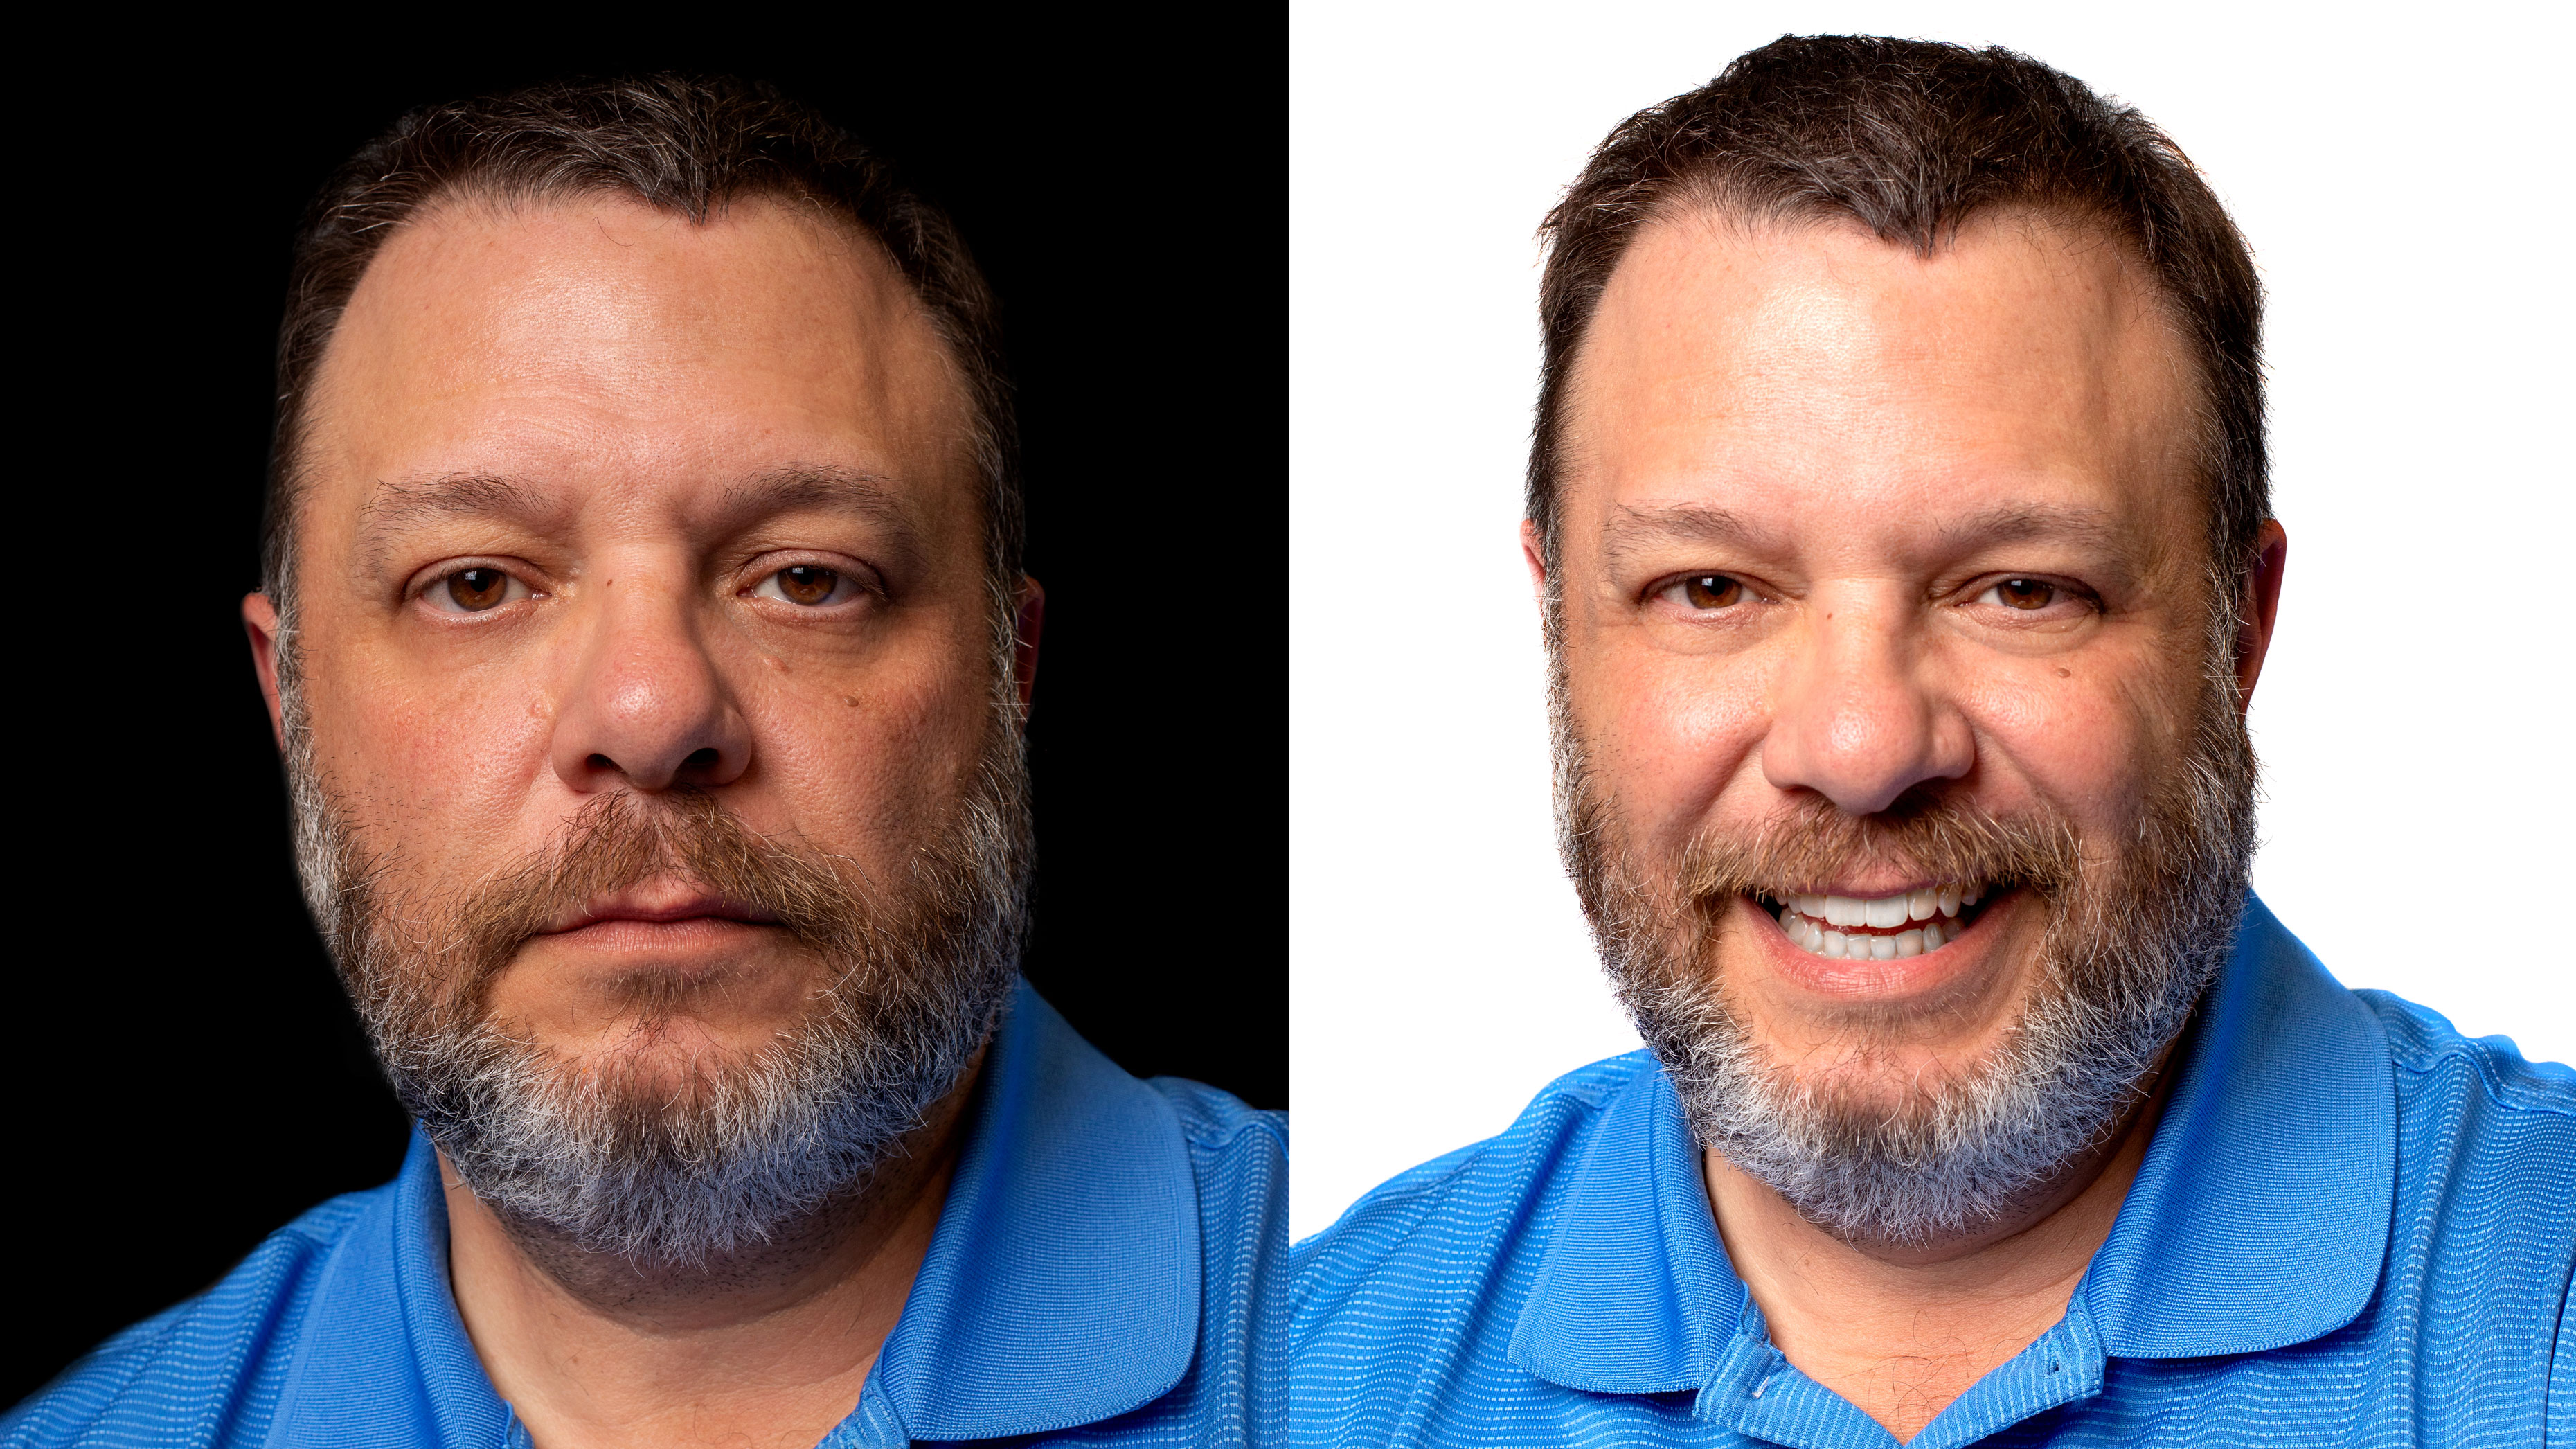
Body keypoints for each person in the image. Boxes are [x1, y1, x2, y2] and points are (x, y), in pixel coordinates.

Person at [1291, 35, 2572, 1448]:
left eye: (2021, 587)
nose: (1860, 745)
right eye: (1711, 587)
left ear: (2239, 628)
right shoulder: (1311, 1371)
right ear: (1561, 635)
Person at [8, 75, 1281, 1449]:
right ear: (291, 700)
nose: (651, 708)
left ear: (1010, 674)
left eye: (806, 575)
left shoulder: (1373, 1325)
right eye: (479, 582)